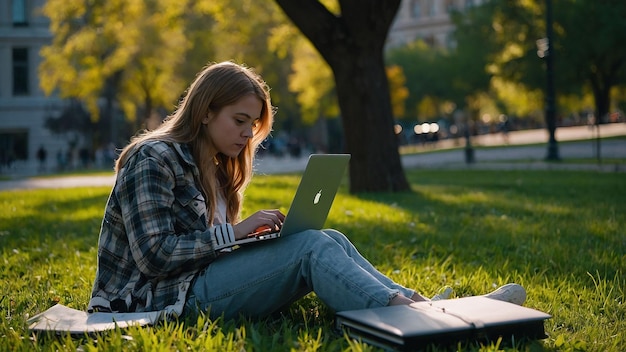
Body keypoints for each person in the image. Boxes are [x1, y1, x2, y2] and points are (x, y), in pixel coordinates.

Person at [88, 61, 526, 321]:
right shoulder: (154, 159)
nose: (247, 134)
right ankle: (412, 316)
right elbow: (155, 256)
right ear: (205, 112)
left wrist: (248, 239)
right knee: (310, 248)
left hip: (194, 284)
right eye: (239, 121)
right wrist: (237, 235)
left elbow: (202, 249)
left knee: (325, 238)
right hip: (155, 301)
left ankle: (419, 305)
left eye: (253, 125)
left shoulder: (217, 167)